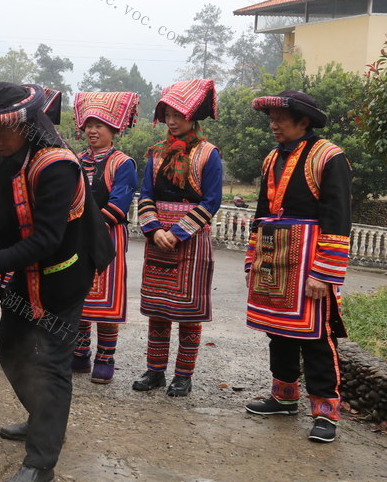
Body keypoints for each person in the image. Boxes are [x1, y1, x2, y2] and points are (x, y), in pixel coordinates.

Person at [0, 81, 113, 482]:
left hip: (63, 274)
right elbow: (3, 212)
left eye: (2, 130)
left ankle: (41, 464)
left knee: (51, 366)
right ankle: (44, 417)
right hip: (22, 273)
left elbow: (46, 240)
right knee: (10, 349)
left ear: (26, 123)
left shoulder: (57, 166)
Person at [243, 91, 352, 443]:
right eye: (271, 119)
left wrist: (324, 271)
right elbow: (261, 212)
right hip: (275, 254)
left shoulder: (329, 157)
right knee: (278, 329)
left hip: (310, 259)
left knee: (317, 335)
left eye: (281, 119)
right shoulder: (271, 158)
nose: (273, 125)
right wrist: (252, 258)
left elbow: (338, 217)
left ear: (303, 122)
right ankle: (284, 396)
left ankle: (326, 412)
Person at [134, 79, 222, 397]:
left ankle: (183, 376)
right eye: (168, 114)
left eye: (178, 115)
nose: (171, 121)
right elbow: (145, 195)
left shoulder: (208, 155)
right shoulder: (156, 155)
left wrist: (178, 231)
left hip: (191, 239)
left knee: (187, 313)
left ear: (193, 118)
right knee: (158, 310)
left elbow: (211, 201)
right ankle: (155, 371)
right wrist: (155, 230)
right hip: (158, 238)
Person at [70, 92, 139, 384]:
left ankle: (106, 357)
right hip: (76, 236)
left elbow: (118, 205)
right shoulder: (75, 160)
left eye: (100, 124)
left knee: (108, 300)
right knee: (79, 295)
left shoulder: (124, 163)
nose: (93, 130)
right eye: (89, 124)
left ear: (115, 129)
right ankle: (81, 352)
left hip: (108, 237)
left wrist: (87, 228)